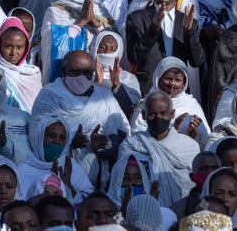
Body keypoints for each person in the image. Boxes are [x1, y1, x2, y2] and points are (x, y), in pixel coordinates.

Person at [31, 50, 130, 188]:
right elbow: (36, 135)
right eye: (75, 72)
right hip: (55, 177)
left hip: (99, 180)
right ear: (64, 71)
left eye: (87, 72)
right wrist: (70, 142)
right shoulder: (49, 96)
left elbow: (124, 134)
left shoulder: (104, 97)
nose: (81, 77)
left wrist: (102, 145)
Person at [125, 0, 204, 94]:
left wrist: (189, 33)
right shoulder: (136, 19)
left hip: (178, 91)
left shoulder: (188, 21)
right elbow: (134, 57)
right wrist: (154, 28)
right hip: (149, 90)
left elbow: (197, 61)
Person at [118, 90, 200, 207]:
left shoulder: (190, 146)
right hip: (142, 207)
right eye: (152, 114)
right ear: (143, 115)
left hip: (183, 209)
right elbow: (124, 182)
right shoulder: (131, 145)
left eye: (163, 113)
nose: (158, 118)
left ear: (172, 114)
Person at [41, 0, 117, 84]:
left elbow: (114, 42)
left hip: (99, 74)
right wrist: (81, 21)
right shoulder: (55, 11)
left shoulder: (100, 10)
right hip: (70, 74)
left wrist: (95, 22)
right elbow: (54, 43)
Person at [131, 57, 210, 142]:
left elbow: (206, 137)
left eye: (178, 80)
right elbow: (137, 136)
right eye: (168, 78)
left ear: (184, 84)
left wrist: (193, 134)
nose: (172, 83)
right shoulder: (145, 104)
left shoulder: (191, 104)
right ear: (158, 79)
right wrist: (174, 129)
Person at [18, 114, 94, 203]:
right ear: (40, 137)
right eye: (51, 136)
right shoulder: (23, 169)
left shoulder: (71, 168)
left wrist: (67, 186)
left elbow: (88, 201)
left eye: (62, 138)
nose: (57, 142)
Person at [169, 151, 222, 219]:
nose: (210, 173)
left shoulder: (231, 203)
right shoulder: (178, 210)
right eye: (203, 169)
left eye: (214, 168)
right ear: (192, 176)